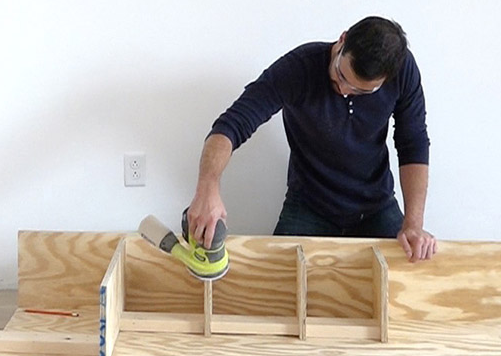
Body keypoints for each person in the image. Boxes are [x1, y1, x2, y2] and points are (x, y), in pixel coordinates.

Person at [185, 16, 437, 262]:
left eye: (361, 91)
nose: (344, 90)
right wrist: (208, 188)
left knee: (408, 280)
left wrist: (414, 225)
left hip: (375, 206)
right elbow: (233, 124)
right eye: (341, 74)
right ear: (342, 41)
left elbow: (412, 143)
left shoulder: (403, 71)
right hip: (309, 205)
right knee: (277, 284)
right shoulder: (299, 69)